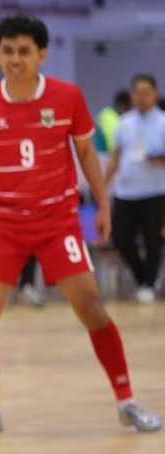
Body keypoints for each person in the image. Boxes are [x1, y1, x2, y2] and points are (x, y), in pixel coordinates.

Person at [0, 15, 161, 434]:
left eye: (24, 51)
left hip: (57, 220)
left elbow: (87, 153)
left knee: (91, 308)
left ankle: (127, 401)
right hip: (4, 223)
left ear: (42, 54)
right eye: (8, 51)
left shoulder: (67, 97)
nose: (15, 59)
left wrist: (103, 204)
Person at [104, 74, 165, 305]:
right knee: (120, 236)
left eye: (146, 93)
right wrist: (103, 185)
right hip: (125, 192)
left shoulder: (162, 122)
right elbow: (115, 157)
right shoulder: (124, 122)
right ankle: (141, 278)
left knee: (152, 239)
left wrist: (159, 160)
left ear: (155, 94)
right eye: (137, 93)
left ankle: (149, 283)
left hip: (155, 192)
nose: (141, 97)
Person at [94, 89, 131, 153]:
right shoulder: (112, 118)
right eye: (129, 108)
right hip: (105, 155)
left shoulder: (105, 113)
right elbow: (113, 146)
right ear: (122, 105)